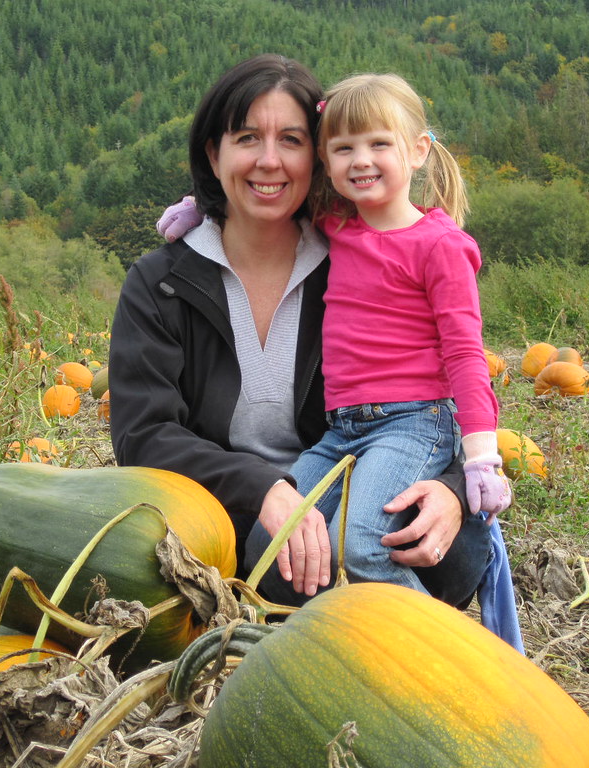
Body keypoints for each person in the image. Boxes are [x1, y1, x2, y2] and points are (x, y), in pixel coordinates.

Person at [111, 55, 511, 640]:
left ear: (314, 159)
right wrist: (264, 488)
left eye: (291, 140)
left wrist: (455, 489)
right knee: (284, 570)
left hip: (366, 490)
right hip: (239, 519)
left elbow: (447, 381)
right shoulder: (162, 283)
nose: (269, 160)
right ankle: (361, 636)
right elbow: (143, 435)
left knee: (415, 541)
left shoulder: (354, 258)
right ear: (213, 154)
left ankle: (431, 650)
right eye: (247, 138)